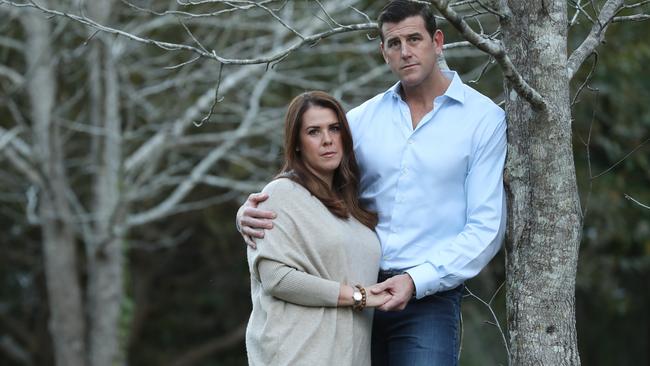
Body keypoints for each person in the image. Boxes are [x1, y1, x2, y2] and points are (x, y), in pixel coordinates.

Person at [238, 1, 507, 365]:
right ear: (384, 52)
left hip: (427, 297)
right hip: (353, 289)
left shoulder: (483, 120)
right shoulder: (361, 120)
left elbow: (485, 229)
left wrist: (415, 280)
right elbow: (318, 187)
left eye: (415, 39)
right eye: (394, 44)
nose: (405, 52)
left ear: (438, 41)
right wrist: (252, 210)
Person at [245, 91, 392, 366]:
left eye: (334, 128)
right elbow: (276, 278)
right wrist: (359, 296)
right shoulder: (281, 194)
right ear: (297, 143)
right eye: (314, 131)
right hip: (298, 354)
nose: (327, 140)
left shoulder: (351, 207)